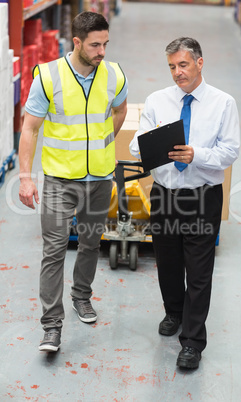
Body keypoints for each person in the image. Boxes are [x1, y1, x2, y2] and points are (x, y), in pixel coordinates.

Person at [18, 11, 128, 352]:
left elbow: (120, 110)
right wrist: (25, 177)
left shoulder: (113, 74)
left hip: (99, 178)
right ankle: (51, 325)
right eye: (95, 45)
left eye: (106, 44)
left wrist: (104, 142)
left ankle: (82, 296)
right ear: (77, 42)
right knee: (53, 251)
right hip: (59, 179)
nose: (102, 52)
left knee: (92, 244)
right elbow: (30, 128)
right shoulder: (48, 76)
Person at [129, 37, 239, 369]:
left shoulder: (223, 103)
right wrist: (154, 141)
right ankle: (174, 311)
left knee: (200, 272)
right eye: (172, 67)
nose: (178, 73)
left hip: (203, 196)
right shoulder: (157, 100)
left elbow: (230, 151)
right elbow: (136, 145)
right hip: (164, 194)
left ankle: (192, 342)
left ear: (199, 63)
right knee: (169, 262)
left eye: (184, 65)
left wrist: (196, 155)